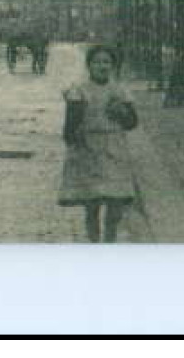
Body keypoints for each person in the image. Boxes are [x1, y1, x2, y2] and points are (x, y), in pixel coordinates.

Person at [58, 44, 141, 243]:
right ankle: (94, 244)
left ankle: (109, 242)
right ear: (89, 66)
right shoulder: (79, 91)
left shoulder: (120, 91)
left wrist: (123, 113)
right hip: (89, 151)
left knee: (115, 204)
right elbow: (69, 127)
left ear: (113, 66)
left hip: (114, 150)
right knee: (92, 204)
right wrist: (75, 138)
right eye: (97, 62)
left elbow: (132, 123)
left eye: (106, 62)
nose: (102, 66)